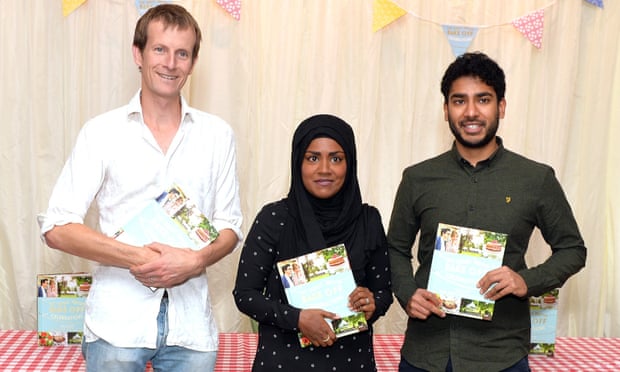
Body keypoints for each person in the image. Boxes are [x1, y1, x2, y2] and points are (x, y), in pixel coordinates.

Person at [39, 4, 242, 371]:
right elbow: (56, 228)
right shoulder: (101, 132)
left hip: (191, 330)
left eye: (182, 53)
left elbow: (230, 227)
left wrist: (194, 260)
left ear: (193, 62)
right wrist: (141, 258)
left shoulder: (218, 136)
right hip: (117, 326)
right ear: (139, 53)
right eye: (160, 49)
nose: (171, 63)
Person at [387, 52, 587, 371]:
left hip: (501, 355)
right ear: (445, 109)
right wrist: (407, 292)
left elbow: (573, 249)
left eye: (483, 99)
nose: (470, 112)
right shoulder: (417, 178)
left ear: (501, 107)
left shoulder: (536, 178)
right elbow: (395, 248)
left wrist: (526, 281)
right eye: (459, 101)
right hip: (426, 353)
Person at [233, 114, 393, 371]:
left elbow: (384, 292)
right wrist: (297, 319)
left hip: (351, 362)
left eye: (336, 158)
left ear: (350, 164)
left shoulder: (368, 220)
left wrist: (372, 303)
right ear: (298, 162)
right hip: (283, 362)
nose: (325, 169)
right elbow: (245, 295)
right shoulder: (274, 218)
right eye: (313, 158)